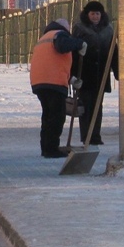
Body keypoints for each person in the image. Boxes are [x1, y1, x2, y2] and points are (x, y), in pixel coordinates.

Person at [29, 17, 88, 158]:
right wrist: (80, 44)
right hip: (53, 82)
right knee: (56, 116)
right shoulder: (59, 34)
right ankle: (51, 149)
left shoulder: (44, 38)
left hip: (40, 82)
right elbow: (62, 46)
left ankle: (46, 147)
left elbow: (53, 63)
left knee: (48, 115)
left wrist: (71, 79)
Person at [71, 1, 117, 145]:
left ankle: (95, 135)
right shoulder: (79, 29)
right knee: (85, 106)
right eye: (92, 14)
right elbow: (72, 53)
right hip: (84, 73)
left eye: (98, 13)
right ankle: (86, 135)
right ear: (87, 14)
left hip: (101, 75)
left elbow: (114, 52)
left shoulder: (108, 30)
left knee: (98, 106)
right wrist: (72, 75)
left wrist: (118, 71)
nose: (95, 16)